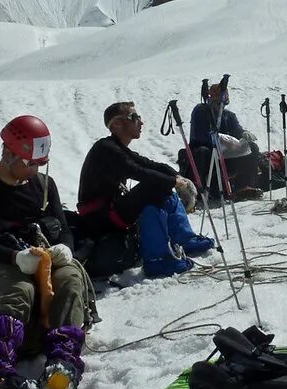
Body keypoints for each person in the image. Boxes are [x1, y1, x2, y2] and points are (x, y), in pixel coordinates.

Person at [0, 115, 97, 389]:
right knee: (20, 291)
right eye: (28, 163)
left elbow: (63, 228)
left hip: (45, 254)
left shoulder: (45, 184)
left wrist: (65, 249)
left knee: (71, 279)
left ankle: (63, 360)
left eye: (38, 164)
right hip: (1, 259)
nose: (33, 170)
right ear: (8, 153)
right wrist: (15, 257)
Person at [77, 101, 214, 278]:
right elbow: (137, 171)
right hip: (101, 219)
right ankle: (158, 260)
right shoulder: (106, 149)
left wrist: (179, 178)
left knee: (159, 184)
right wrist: (174, 182)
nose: (140, 122)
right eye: (134, 117)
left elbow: (148, 164)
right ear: (117, 124)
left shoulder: (116, 147)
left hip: (109, 212)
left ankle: (184, 239)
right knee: (154, 186)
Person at [187, 82, 263, 199]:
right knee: (202, 152)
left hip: (226, 152)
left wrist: (243, 134)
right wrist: (218, 139)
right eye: (217, 102)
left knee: (252, 147)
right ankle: (199, 190)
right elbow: (198, 135)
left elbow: (236, 130)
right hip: (206, 150)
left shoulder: (229, 115)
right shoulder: (200, 111)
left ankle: (246, 186)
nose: (220, 106)